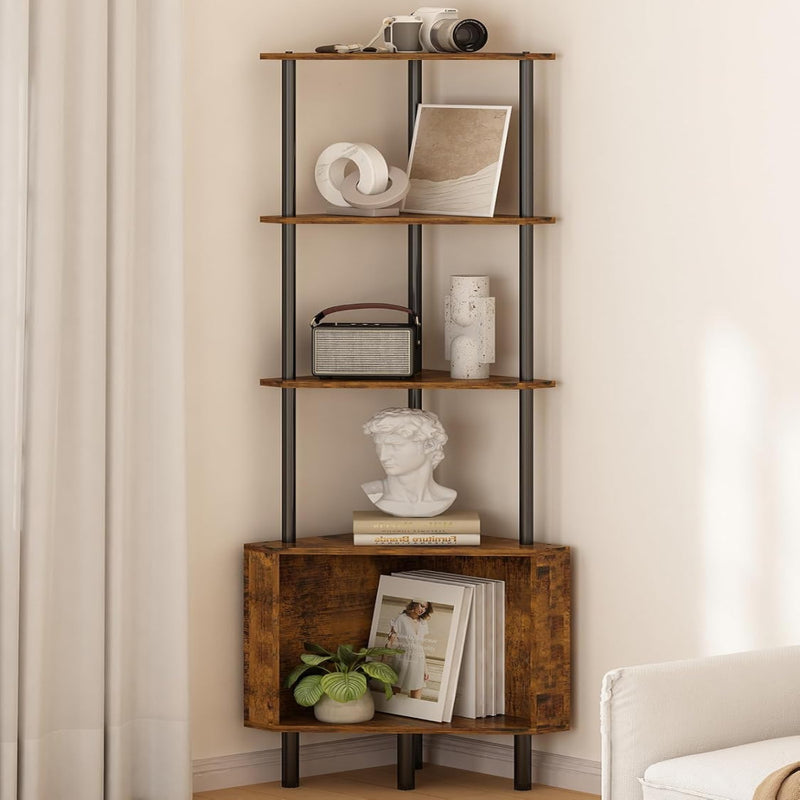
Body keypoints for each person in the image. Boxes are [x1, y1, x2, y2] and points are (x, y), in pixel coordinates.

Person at [361, 407, 457, 517]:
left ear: (429, 445)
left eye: (394, 445)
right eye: (378, 446)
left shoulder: (447, 496)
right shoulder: (375, 493)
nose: (383, 456)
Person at [386, 600, 434, 699]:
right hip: (402, 658)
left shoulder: (423, 622)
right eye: (421, 606)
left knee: (416, 695)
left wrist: (425, 669)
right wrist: (383, 663)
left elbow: (421, 646)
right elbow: (390, 642)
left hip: (418, 660)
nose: (423, 610)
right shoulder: (401, 619)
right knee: (394, 692)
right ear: (414, 603)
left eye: (425, 608)